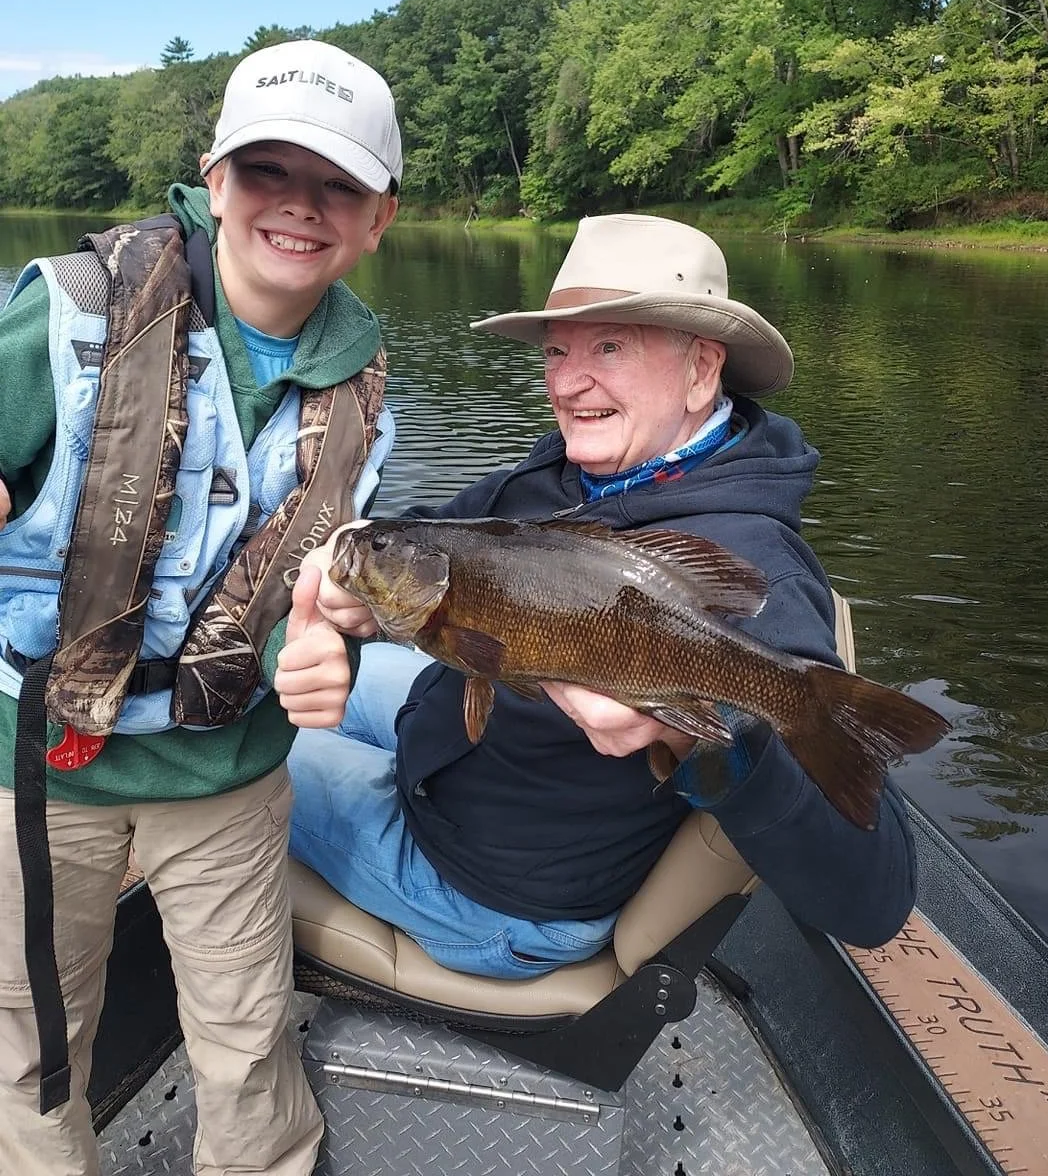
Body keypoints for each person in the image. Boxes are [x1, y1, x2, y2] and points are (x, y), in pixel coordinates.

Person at [287, 213, 919, 982]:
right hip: (454, 738)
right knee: (265, 699)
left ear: (701, 370)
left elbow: (874, 900)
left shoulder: (759, 566)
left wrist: (697, 742)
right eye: (557, 351)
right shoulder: (574, 469)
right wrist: (347, 581)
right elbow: (432, 536)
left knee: (243, 763)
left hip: (498, 891)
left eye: (610, 347)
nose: (565, 381)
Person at [0, 38, 402, 1176]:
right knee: (32, 1040)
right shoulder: (69, 311)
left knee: (246, 1036)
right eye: (271, 171)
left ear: (378, 217)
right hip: (34, 769)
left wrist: (315, 642)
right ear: (214, 178)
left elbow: (299, 584)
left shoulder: (366, 386)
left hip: (226, 772)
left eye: (338, 185)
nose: (301, 207)